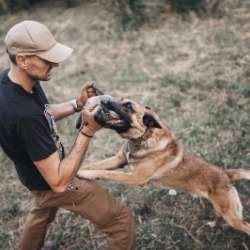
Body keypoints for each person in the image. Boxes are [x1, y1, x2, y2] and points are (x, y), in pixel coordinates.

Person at [0, 20, 135, 250]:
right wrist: (87, 130)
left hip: (34, 175)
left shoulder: (13, 81)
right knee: (121, 221)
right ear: (22, 59)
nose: (55, 64)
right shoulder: (24, 116)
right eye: (46, 59)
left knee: (42, 211)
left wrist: (77, 103)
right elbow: (59, 182)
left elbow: (43, 112)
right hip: (52, 179)